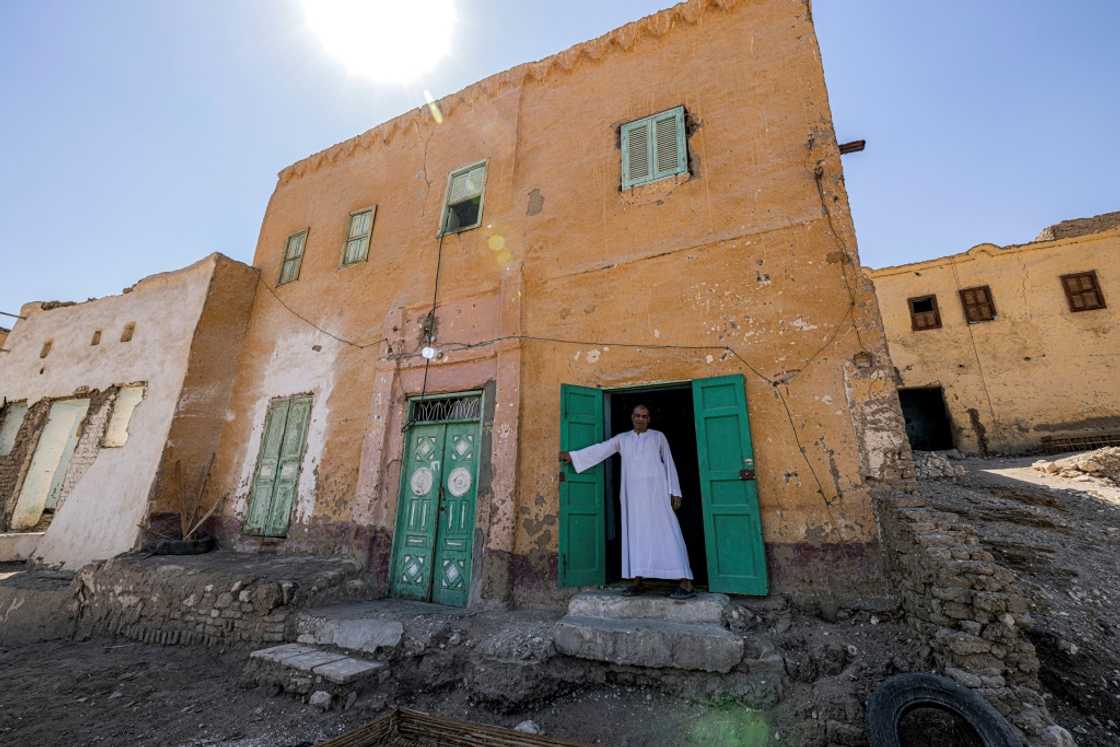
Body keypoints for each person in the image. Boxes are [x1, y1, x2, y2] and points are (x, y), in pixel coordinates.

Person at [560, 404, 695, 600]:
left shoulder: (658, 437)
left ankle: (685, 582)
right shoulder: (622, 439)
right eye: (637, 415)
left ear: (649, 419)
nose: (641, 419)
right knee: (635, 534)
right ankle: (637, 580)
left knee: (667, 531)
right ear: (632, 418)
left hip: (656, 495)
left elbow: (669, 463)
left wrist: (675, 491)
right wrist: (572, 457)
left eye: (645, 416)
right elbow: (601, 449)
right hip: (633, 497)